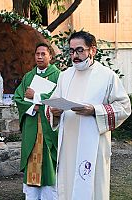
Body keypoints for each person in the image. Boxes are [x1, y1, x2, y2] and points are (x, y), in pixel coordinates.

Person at [46, 31, 131, 200]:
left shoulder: (107, 76)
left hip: (93, 145)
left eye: (79, 50)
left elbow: (124, 107)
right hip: (68, 144)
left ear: (93, 50)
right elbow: (53, 103)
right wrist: (54, 112)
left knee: (92, 188)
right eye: (71, 51)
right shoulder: (65, 76)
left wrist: (94, 110)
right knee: (68, 187)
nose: (75, 56)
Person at [14, 43, 60, 200]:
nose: (39, 57)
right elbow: (18, 97)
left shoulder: (59, 76)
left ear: (50, 56)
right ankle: (32, 196)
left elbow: (58, 99)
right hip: (32, 124)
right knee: (32, 157)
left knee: (47, 158)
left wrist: (36, 96)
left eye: (43, 54)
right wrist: (32, 107)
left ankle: (50, 196)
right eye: (37, 54)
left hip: (49, 124)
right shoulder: (28, 76)